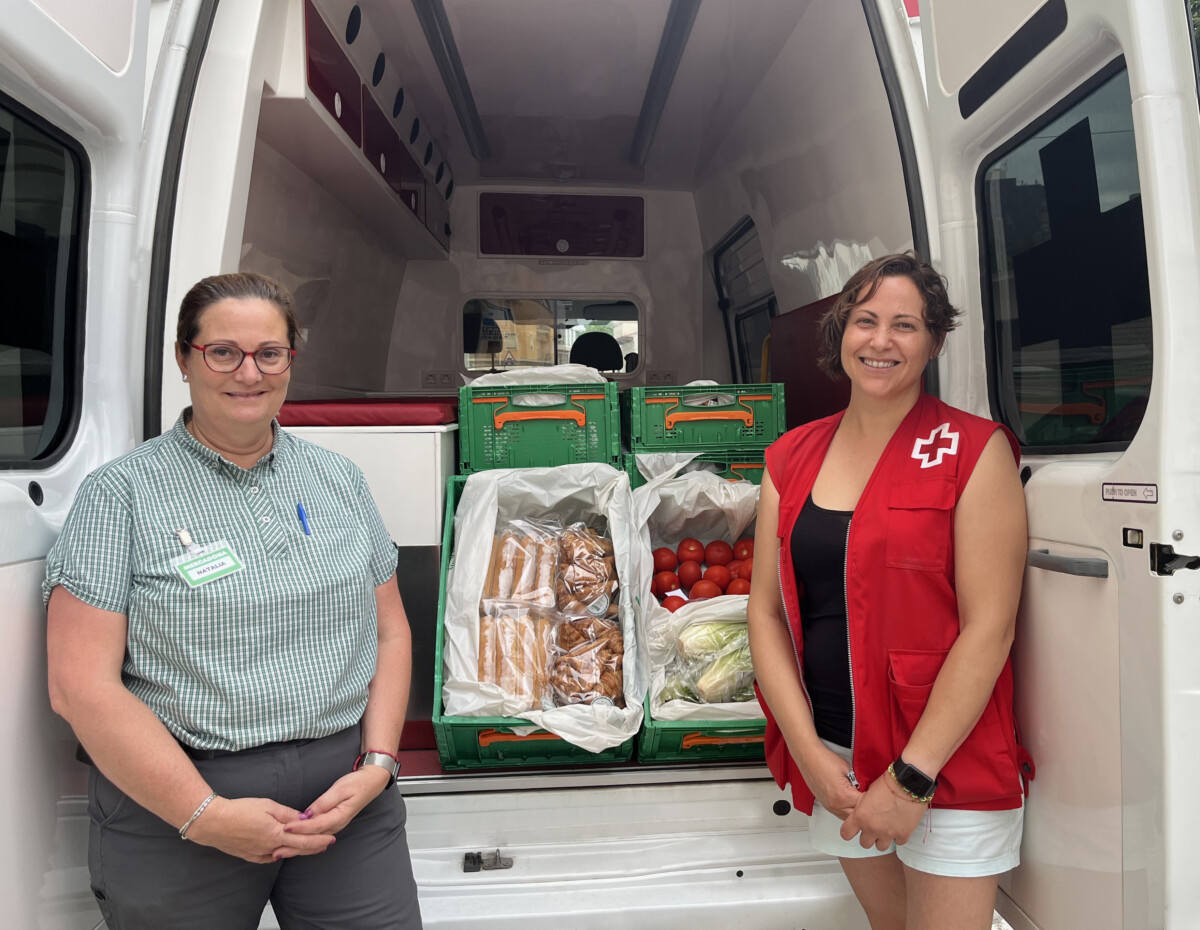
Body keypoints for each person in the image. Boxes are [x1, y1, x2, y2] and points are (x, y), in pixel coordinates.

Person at [44, 272, 423, 929]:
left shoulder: (338, 480)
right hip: (176, 805)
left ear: (290, 361)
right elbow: (80, 688)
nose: (249, 373)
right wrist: (204, 815)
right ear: (184, 358)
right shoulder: (121, 495)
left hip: (345, 800)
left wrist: (380, 765)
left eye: (269, 354)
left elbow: (389, 631)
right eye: (223, 352)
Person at [747, 253, 1031, 930]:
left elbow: (990, 627)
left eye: (906, 325)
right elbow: (766, 613)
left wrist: (910, 779)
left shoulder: (973, 450)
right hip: (837, 758)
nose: (881, 341)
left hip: (944, 762)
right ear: (841, 331)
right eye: (866, 320)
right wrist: (810, 755)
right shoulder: (790, 458)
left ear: (934, 342)